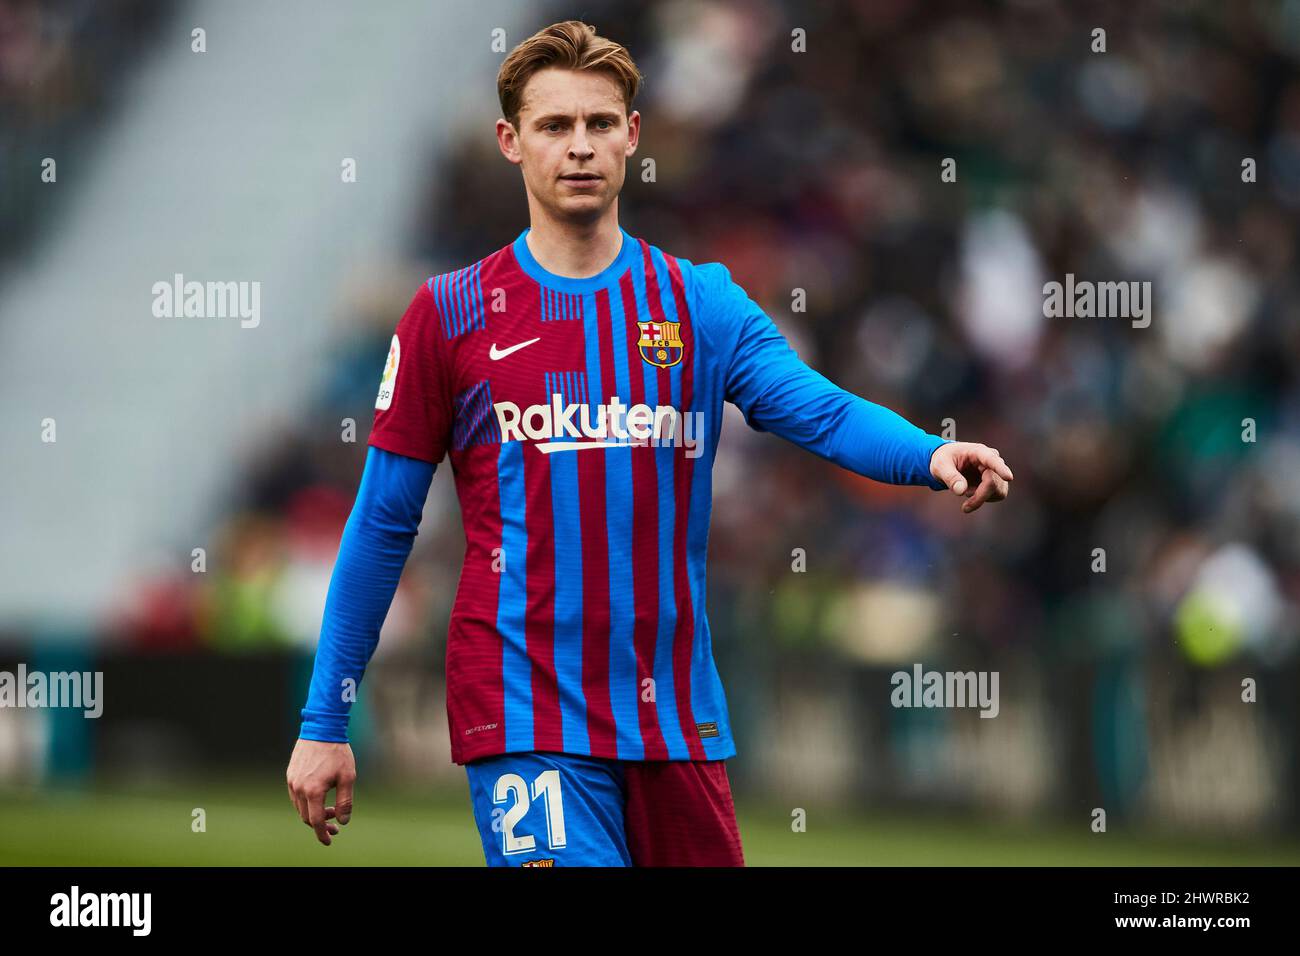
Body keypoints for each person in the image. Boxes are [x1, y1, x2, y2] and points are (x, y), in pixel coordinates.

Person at [285, 19, 1012, 867]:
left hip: (671, 715)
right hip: (525, 708)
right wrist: (323, 722)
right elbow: (381, 524)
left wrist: (929, 455)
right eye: (555, 126)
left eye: (599, 124)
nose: (580, 147)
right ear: (510, 141)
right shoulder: (449, 315)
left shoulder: (697, 302)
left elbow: (818, 409)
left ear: (632, 135)